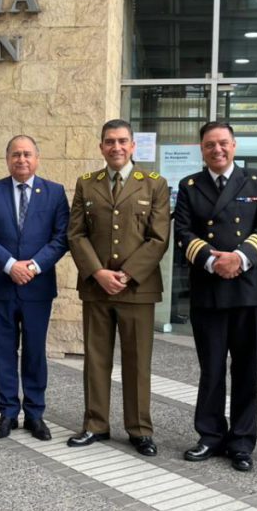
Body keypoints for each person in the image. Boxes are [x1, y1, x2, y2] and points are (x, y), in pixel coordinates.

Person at [174, 122, 257, 472]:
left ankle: (243, 442)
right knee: (212, 368)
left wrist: (240, 258)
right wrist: (212, 261)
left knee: (247, 369)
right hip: (209, 286)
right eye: (209, 145)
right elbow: (183, 232)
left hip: (249, 288)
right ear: (201, 149)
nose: (216, 150)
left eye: (222, 144)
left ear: (234, 145)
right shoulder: (189, 186)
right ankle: (210, 435)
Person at [66, 119, 170, 456]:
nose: (116, 147)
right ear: (101, 147)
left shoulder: (154, 184)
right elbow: (76, 234)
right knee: (96, 359)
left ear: (133, 146)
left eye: (122, 141)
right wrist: (98, 272)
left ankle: (139, 429)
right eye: (109, 141)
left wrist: (125, 274)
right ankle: (95, 424)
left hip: (137, 289)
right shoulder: (86, 184)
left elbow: (159, 238)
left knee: (137, 361)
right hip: (97, 288)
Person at [0, 135, 70, 440]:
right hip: (1, 285)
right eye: (16, 154)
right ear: (7, 159)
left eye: (27, 154)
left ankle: (35, 414)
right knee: (3, 351)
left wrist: (33, 266)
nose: (22, 159)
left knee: (34, 352)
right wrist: (9, 264)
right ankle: (7, 413)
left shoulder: (54, 192)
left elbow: (61, 237)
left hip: (37, 287)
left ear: (37, 159)